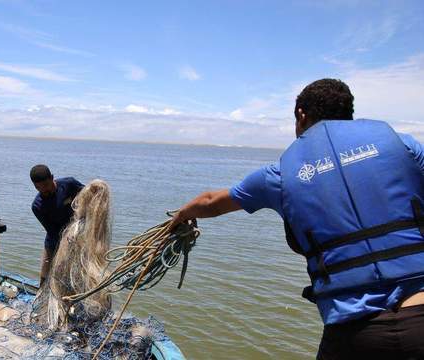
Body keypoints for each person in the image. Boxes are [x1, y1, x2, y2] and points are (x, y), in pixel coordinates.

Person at [169, 79, 424, 359]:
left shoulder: (280, 176)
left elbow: (210, 203)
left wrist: (181, 216)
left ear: (301, 115)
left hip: (354, 333)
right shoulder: (404, 146)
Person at [30, 164, 84, 285]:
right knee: (47, 271)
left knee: (77, 273)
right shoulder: (37, 206)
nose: (44, 190)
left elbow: (88, 195)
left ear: (52, 178)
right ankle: (41, 294)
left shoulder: (69, 184)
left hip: (78, 234)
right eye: (38, 188)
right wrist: (65, 244)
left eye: (46, 185)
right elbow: (52, 231)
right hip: (54, 240)